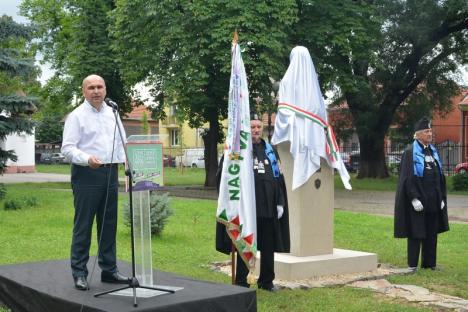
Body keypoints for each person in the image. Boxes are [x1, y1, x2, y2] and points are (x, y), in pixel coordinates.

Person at [61, 74, 129, 290]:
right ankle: (79, 272)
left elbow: (122, 142)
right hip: (86, 175)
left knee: (108, 225)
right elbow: (67, 149)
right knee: (84, 225)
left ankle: (109, 270)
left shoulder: (113, 112)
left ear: (106, 90)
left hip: (111, 173)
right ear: (84, 91)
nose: (96, 91)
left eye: (100, 87)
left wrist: (128, 164)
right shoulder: (77, 116)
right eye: (91, 87)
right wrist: (86, 159)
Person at [216, 112, 290, 291]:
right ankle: (242, 281)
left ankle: (266, 282)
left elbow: (278, 178)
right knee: (244, 243)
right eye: (252, 127)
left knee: (268, 247)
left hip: (268, 208)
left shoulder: (270, 150)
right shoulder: (238, 150)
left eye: (259, 127)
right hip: (247, 210)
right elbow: (226, 176)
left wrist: (280, 202)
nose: (256, 130)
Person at [394, 117, 449, 271]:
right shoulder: (410, 152)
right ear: (417, 135)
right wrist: (413, 198)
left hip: (433, 200)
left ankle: (429, 263)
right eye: (426, 131)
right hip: (418, 200)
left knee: (431, 232)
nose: (430, 134)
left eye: (430, 131)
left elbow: (438, 176)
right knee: (416, 231)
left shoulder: (433, 151)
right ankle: (412, 265)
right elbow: (407, 177)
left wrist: (441, 198)